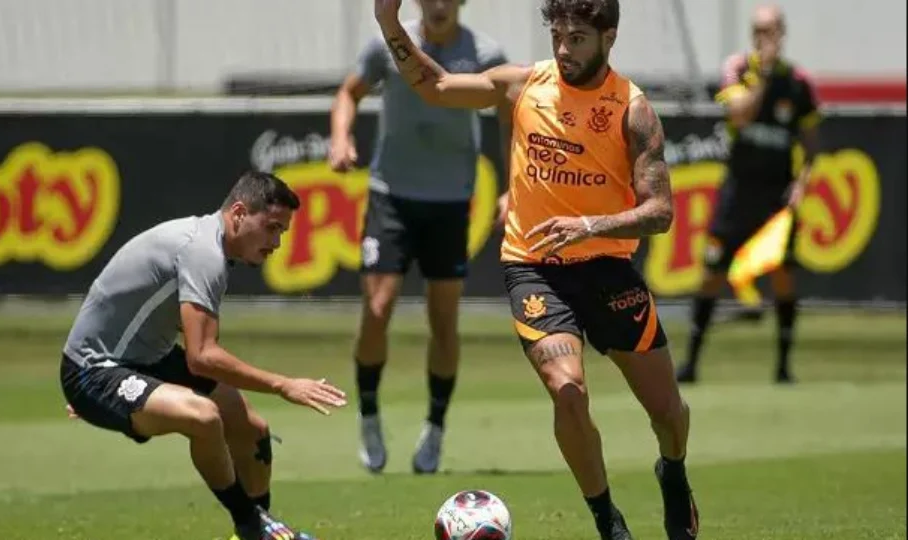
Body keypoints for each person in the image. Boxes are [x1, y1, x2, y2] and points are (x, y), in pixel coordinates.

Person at [370, 0, 699, 538]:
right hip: (535, 268)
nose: (564, 50)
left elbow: (660, 212)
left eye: (578, 39)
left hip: (608, 269)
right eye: (558, 36)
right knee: (567, 391)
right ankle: (608, 521)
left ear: (609, 38)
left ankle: (674, 471)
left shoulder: (632, 110)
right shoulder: (522, 85)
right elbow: (437, 86)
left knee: (667, 412)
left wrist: (591, 225)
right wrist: (388, 23)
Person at [59, 171, 347, 540]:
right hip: (95, 370)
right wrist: (283, 385)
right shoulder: (204, 253)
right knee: (204, 416)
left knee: (252, 430)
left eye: (282, 232)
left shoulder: (210, 245)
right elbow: (202, 357)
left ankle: (254, 531)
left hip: (148, 359)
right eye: (272, 227)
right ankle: (253, 526)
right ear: (239, 213)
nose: (276, 242)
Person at [328, 0, 509, 475]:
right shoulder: (387, 44)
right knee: (377, 308)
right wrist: (341, 137)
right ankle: (369, 414)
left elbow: (511, 117)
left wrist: (513, 186)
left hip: (451, 200)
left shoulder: (486, 54)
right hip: (391, 194)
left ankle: (435, 428)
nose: (439, 4)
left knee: (443, 320)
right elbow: (349, 92)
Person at [675, 3, 821, 385]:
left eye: (769, 31)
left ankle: (783, 367)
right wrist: (764, 76)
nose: (763, 37)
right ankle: (691, 363)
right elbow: (740, 116)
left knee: (783, 275)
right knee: (712, 272)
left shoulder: (799, 83)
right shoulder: (738, 69)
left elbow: (810, 146)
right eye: (758, 31)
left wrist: (801, 186)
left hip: (777, 197)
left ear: (782, 33)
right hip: (738, 192)